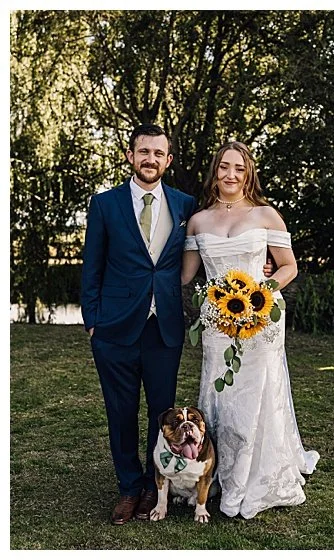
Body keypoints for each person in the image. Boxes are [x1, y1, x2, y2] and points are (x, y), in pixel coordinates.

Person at [181, 141, 319, 518]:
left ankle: (257, 474)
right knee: (220, 394)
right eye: (224, 167)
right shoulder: (199, 221)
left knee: (257, 396)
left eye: (239, 169)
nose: (230, 175)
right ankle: (217, 471)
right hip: (216, 323)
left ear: (248, 173)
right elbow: (186, 275)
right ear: (215, 171)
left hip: (261, 320)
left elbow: (288, 266)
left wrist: (263, 291)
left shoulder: (266, 215)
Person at [82, 124, 199, 524]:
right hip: (113, 329)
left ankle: (154, 485)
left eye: (158, 153)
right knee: (120, 410)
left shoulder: (185, 205)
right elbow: (91, 267)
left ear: (168, 160)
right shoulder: (105, 204)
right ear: (130, 156)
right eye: (143, 151)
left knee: (161, 413)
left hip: (163, 328)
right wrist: (92, 322)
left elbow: (209, 246)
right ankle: (129, 488)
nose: (151, 159)